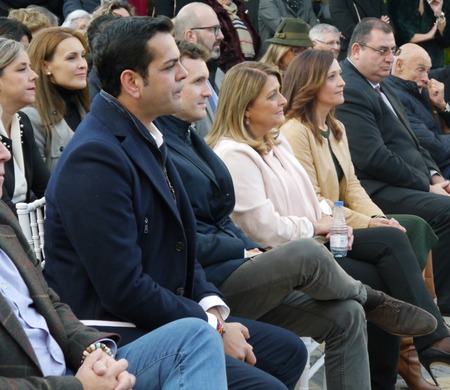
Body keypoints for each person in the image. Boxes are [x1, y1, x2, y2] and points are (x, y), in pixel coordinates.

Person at [155, 41, 439, 390]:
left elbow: (328, 193)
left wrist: (350, 222)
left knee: (361, 289)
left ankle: (405, 352)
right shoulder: (228, 151)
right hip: (247, 267)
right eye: (272, 96)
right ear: (247, 108)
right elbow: (259, 228)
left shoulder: (269, 140)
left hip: (274, 252)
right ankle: (391, 315)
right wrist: (254, 246)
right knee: (326, 257)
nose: (283, 102)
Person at [43, 16, 308, 390]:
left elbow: (184, 250)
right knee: (266, 384)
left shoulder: (145, 132)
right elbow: (123, 290)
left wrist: (213, 311)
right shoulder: (95, 157)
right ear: (132, 82)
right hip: (116, 338)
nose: (184, 74)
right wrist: (211, 326)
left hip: (165, 316)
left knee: (288, 351)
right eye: (170, 66)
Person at [0, 140, 228, 389]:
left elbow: (50, 302)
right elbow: (126, 288)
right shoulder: (94, 157)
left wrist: (95, 353)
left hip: (79, 362)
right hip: (56, 381)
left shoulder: (3, 217)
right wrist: (80, 387)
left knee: (197, 337)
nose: (5, 153)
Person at [280, 49, 441, 390]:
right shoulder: (294, 131)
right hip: (317, 235)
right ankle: (433, 341)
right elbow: (314, 199)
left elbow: (352, 186)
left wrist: (379, 218)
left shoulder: (334, 126)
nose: (343, 82)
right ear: (311, 84)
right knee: (393, 242)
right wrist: (371, 224)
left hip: (340, 228)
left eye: (340, 74)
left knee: (393, 245)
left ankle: (394, 370)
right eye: (334, 77)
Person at [334, 17, 450, 321]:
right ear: (357, 49)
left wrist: (436, 177)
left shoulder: (380, 86)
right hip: (375, 191)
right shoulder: (351, 88)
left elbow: (412, 143)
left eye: (393, 50)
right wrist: (425, 186)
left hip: (407, 182)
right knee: (446, 211)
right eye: (382, 50)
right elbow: (373, 157)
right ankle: (444, 302)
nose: (390, 58)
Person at [21, 27, 89, 172]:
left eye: (83, 56)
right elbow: (38, 184)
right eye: (71, 58)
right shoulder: (32, 116)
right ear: (46, 66)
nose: (83, 64)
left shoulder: (87, 108)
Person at [386, 42, 450, 179]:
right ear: (399, 66)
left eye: (427, 71)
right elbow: (436, 149)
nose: (426, 78)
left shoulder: (424, 92)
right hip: (432, 171)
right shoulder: (395, 97)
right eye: (420, 70)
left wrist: (442, 105)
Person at [0, 38, 49, 214]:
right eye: (22, 69)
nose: (34, 75)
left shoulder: (21, 121)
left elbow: (48, 189)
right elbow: (4, 208)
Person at [174, 2, 225, 137]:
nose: (220, 36)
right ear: (190, 35)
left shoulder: (218, 73)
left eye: (219, 28)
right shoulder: (175, 72)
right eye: (213, 29)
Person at [387, 0, 450, 69]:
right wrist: (428, 35)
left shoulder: (444, 2)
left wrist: (438, 13)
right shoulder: (396, 2)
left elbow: (446, 39)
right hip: (405, 63)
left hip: (434, 65)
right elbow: (396, 35)